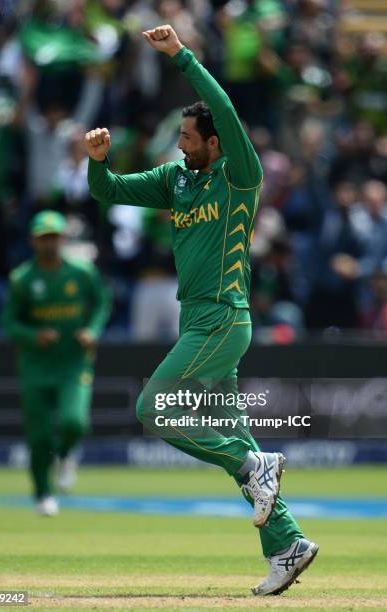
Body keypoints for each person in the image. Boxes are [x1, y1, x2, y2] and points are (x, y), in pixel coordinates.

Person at [85, 25, 318, 596]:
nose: (181, 144)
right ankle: (287, 543)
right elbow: (110, 191)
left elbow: (224, 106)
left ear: (216, 142)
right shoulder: (176, 180)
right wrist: (97, 162)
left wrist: (183, 57)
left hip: (222, 317)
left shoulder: (240, 176)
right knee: (235, 437)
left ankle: (249, 468)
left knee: (154, 408)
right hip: (198, 319)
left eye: (190, 136)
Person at [2, 210, 111, 516]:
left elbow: (102, 302)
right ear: (33, 241)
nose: (49, 243)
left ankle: (65, 454)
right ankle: (42, 494)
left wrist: (92, 330)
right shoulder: (23, 278)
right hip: (36, 366)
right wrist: (34, 335)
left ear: (63, 238)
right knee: (38, 437)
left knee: (74, 422)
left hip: (73, 363)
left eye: (53, 237)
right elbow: (9, 322)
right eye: (43, 238)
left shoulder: (81, 272)